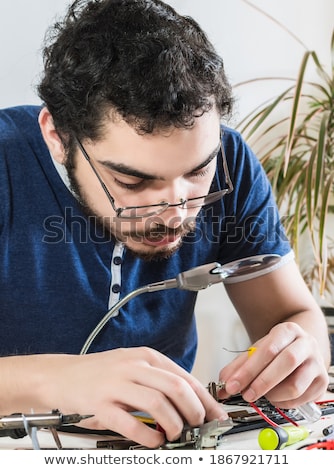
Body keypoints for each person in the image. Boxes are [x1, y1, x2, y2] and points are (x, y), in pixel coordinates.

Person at [0, 0, 330, 449]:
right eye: (132, 180)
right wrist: (54, 381)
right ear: (57, 137)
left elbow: (294, 316)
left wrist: (302, 350)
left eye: (197, 172)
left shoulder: (230, 161)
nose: (176, 213)